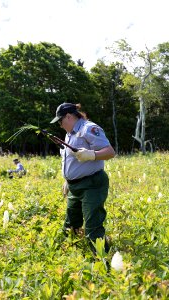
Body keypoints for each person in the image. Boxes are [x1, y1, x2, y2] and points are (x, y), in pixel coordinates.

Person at [50, 102, 115, 254]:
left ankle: (102, 260)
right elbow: (71, 159)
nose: (60, 125)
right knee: (70, 224)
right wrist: (67, 180)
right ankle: (72, 254)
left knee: (93, 226)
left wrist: (92, 154)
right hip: (74, 186)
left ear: (69, 116)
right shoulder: (70, 133)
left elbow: (110, 152)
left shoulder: (89, 129)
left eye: (60, 121)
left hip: (92, 184)